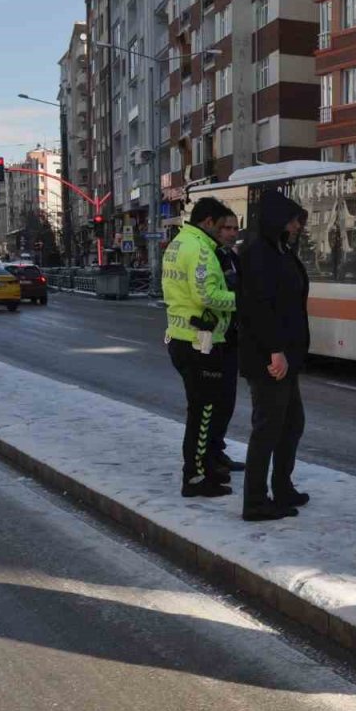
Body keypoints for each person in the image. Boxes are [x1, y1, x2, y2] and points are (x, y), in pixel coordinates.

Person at [238, 189, 311, 523]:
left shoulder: (279, 249)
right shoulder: (259, 253)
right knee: (268, 428)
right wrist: (275, 351)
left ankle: (282, 486)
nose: (298, 226)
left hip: (285, 356)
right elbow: (258, 307)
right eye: (294, 219)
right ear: (278, 220)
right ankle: (255, 500)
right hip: (269, 358)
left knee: (292, 423)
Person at [162, 197, 238, 498]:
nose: (223, 231)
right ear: (208, 222)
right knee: (203, 413)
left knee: (200, 411)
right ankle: (194, 477)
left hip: (181, 336)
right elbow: (207, 295)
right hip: (200, 342)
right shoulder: (201, 249)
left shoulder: (180, 243)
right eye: (221, 225)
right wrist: (240, 299)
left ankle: (202, 471)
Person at [208, 209, 246, 482]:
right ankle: (209, 457)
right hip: (212, 339)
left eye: (236, 228)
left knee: (227, 400)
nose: (233, 233)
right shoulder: (211, 256)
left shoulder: (232, 256)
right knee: (214, 401)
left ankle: (218, 450)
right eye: (227, 228)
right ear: (217, 229)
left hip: (231, 337)